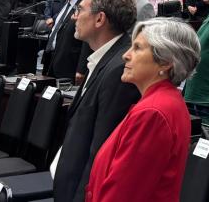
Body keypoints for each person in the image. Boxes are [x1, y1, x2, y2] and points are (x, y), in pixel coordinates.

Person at [85, 18, 199, 202]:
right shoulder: (164, 102)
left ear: (165, 62)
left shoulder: (153, 112)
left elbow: (122, 195)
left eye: (137, 48)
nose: (126, 55)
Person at [53, 0, 140, 202]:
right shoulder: (104, 58)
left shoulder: (120, 70)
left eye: (81, 9)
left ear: (100, 19)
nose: (75, 16)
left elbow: (101, 152)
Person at [44, 0, 87, 82]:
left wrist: (81, 68)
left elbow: (87, 40)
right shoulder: (66, 1)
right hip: (52, 58)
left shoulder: (85, 5)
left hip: (69, 65)